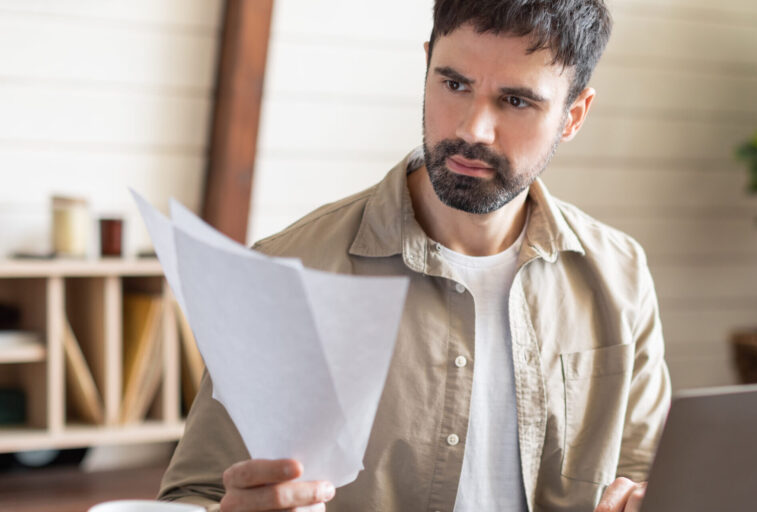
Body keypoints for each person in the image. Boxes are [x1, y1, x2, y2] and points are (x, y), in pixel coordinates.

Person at [158, 1, 671, 511]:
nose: (473, 129)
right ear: (427, 67)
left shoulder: (621, 275)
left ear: (573, 116)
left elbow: (649, 474)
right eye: (454, 85)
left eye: (515, 101)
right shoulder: (289, 272)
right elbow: (194, 496)